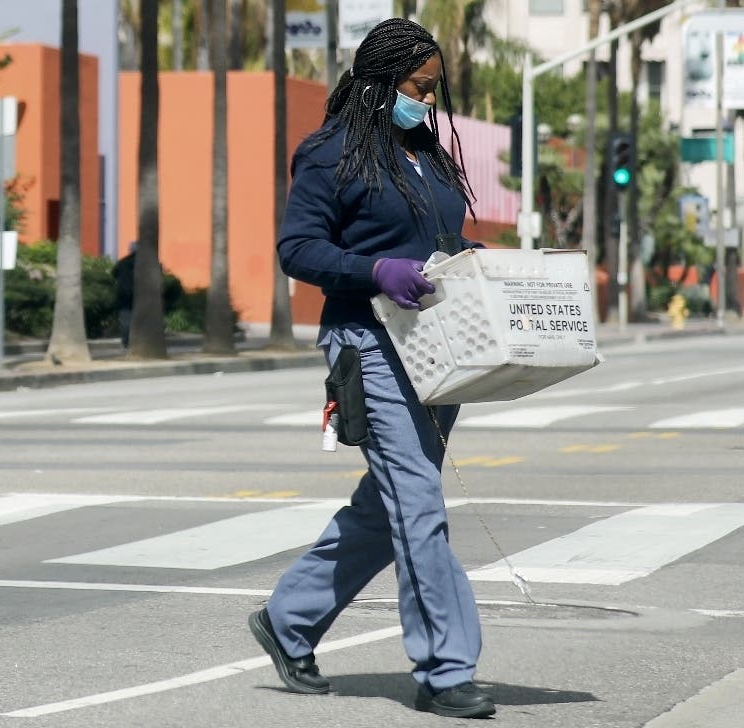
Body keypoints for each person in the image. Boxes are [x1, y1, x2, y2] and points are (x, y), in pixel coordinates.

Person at [247, 18, 494, 719]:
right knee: (416, 500)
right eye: (419, 87)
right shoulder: (329, 154)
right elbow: (297, 249)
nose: (427, 99)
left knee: (386, 507)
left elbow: (431, 237)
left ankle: (287, 620)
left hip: (436, 346)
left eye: (432, 88)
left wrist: (463, 253)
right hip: (365, 343)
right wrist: (374, 270)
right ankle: (446, 669)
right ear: (381, 83)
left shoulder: (425, 152)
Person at [111, 243, 137, 348]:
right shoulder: (146, 263)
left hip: (124, 294)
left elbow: (114, 274)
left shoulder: (122, 262)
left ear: (130, 250)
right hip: (140, 295)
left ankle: (126, 342)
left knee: (125, 319)